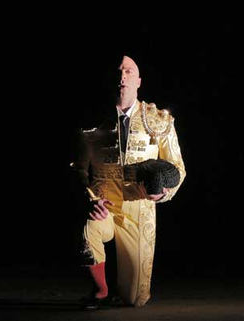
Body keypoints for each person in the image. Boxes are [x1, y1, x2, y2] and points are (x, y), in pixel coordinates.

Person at [70, 55, 186, 310]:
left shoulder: (159, 121)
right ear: (109, 80)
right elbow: (77, 168)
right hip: (105, 203)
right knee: (89, 229)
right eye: (118, 72)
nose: (122, 77)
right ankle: (100, 291)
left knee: (135, 299)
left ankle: (117, 289)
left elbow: (178, 168)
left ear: (138, 81)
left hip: (140, 209)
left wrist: (163, 193)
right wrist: (91, 200)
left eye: (128, 72)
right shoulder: (90, 121)